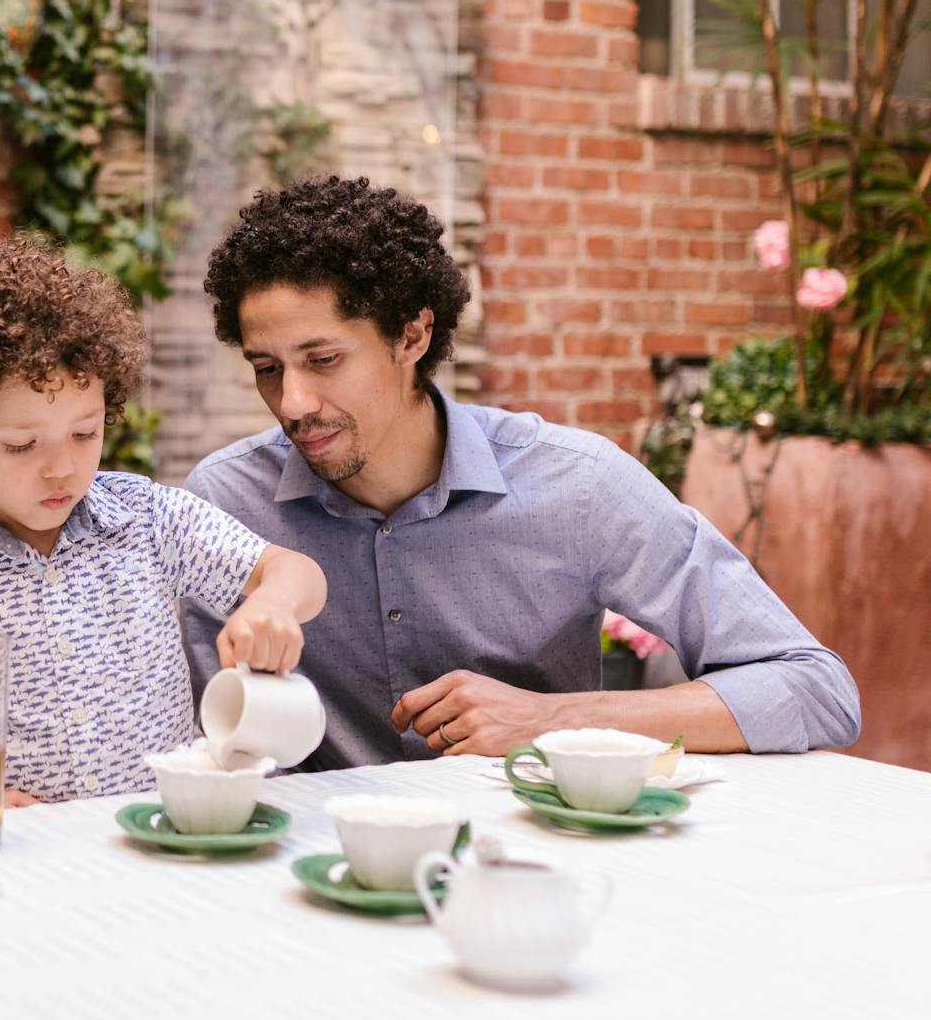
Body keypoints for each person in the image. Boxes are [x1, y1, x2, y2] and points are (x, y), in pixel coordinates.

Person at [180, 176, 861, 770]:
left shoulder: (577, 485)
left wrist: (551, 722)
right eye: (266, 369)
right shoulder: (226, 502)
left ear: (412, 337)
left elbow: (814, 689)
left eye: (323, 359)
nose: (292, 403)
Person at [0, 233, 327, 804]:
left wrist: (272, 602)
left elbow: (294, 572)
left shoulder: (149, 520)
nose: (61, 468)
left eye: (85, 433)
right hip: (16, 866)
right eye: (21, 445)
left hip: (153, 844)